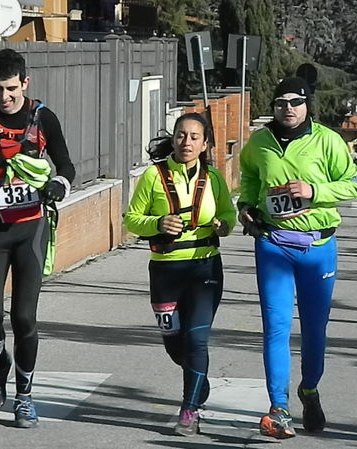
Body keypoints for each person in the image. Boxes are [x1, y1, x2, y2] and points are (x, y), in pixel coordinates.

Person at [237, 76, 357, 439]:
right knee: (276, 328)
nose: (288, 108)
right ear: (273, 107)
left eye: (296, 102)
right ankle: (278, 408)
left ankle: (309, 389)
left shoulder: (328, 140)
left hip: (318, 248)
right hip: (273, 244)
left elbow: (356, 186)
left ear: (307, 104)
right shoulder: (259, 142)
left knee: (314, 330)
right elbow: (249, 176)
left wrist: (315, 191)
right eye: (281, 103)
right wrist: (246, 205)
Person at [0, 48, 75, 428]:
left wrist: (59, 184)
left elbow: (67, 164)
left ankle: (24, 397)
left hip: (31, 227)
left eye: (11, 89)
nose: (4, 97)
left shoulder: (43, 118)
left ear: (25, 83)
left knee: (24, 317)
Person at [124, 112, 236, 437]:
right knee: (175, 346)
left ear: (204, 144)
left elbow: (228, 213)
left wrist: (223, 225)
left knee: (197, 340)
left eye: (194, 137)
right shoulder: (153, 177)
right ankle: (198, 380)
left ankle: (189, 409)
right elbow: (132, 219)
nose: (187, 142)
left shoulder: (213, 178)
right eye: (181, 136)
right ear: (173, 139)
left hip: (205, 267)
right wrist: (157, 224)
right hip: (165, 271)